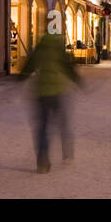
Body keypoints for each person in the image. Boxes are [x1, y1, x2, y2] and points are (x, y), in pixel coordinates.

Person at [19, 31, 82, 171]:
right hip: (58, 91)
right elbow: (69, 69)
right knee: (63, 123)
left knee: (42, 127)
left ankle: (42, 160)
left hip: (41, 92)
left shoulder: (39, 51)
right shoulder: (59, 52)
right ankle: (67, 153)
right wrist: (79, 82)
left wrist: (19, 80)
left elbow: (27, 68)